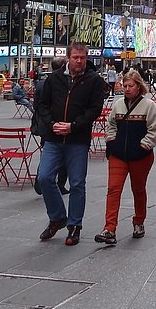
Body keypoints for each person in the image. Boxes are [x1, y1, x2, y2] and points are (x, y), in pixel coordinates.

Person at [34, 42, 106, 246]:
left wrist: (73, 126)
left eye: (83, 58)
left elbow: (94, 109)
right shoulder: (53, 79)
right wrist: (52, 124)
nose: (80, 61)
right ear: (68, 57)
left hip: (77, 139)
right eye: (76, 57)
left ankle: (75, 225)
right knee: (45, 177)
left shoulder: (93, 80)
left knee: (77, 183)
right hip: (54, 137)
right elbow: (42, 105)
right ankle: (57, 216)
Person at [94, 70, 156, 245]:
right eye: (124, 86)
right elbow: (110, 125)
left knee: (138, 189)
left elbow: (154, 130)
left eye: (130, 86)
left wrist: (143, 147)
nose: (127, 89)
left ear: (139, 86)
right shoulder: (118, 105)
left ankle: (139, 222)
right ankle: (109, 228)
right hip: (119, 155)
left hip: (140, 156)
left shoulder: (149, 105)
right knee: (113, 189)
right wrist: (111, 143)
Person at [32, 57, 68, 196]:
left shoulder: (41, 83)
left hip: (43, 126)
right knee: (62, 155)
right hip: (56, 125)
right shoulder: (60, 83)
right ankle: (59, 184)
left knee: (47, 153)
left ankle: (41, 179)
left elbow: (36, 106)